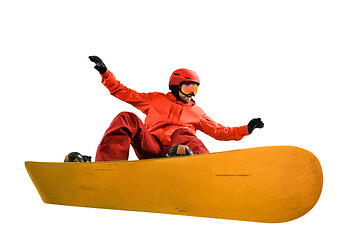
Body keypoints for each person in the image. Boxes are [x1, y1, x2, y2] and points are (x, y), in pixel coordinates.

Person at [65, 56, 264, 162]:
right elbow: (123, 92)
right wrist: (105, 73)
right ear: (176, 85)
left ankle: (199, 165)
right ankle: (108, 166)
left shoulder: (197, 112)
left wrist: (246, 129)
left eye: (195, 88)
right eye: (188, 87)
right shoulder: (155, 100)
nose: (191, 93)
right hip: (151, 147)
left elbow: (220, 132)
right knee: (127, 118)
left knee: (183, 133)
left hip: (178, 151)